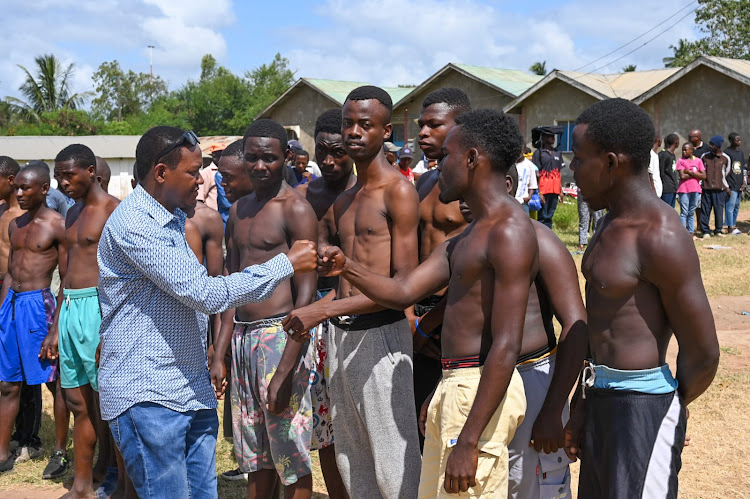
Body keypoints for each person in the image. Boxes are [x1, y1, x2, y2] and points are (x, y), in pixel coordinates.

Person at [316, 108, 534, 497]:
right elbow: (402, 292)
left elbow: (505, 345)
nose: (436, 166)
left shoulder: (508, 232)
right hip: (455, 384)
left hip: (478, 389)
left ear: (472, 159)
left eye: (444, 157)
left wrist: (469, 440)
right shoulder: (464, 241)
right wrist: (346, 266)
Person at [96, 126, 318, 499]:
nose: (201, 181)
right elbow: (204, 293)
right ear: (161, 173)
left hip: (188, 390)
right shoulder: (136, 225)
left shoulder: (171, 219)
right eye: (192, 172)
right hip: (149, 395)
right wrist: (286, 263)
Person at [565, 98, 719, 498]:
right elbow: (599, 323)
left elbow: (704, 354)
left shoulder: (661, 236)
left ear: (612, 163)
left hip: (642, 409)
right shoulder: (607, 223)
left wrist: (668, 405)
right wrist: (583, 402)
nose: (571, 170)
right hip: (600, 398)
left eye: (579, 160)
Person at [282, 85, 422, 498]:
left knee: (394, 460)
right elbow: (346, 281)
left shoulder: (398, 190)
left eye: (366, 124)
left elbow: (403, 285)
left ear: (386, 131)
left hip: (382, 336)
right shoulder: (344, 200)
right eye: (349, 124)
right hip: (342, 338)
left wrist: (321, 312)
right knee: (352, 456)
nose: (355, 132)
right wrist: (321, 308)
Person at [207, 119, 318, 499]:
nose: (259, 166)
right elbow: (230, 288)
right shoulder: (238, 211)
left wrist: (286, 369)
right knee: (254, 453)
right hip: (241, 338)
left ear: (286, 157)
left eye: (268, 159)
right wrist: (220, 352)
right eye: (252, 158)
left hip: (280, 337)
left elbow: (306, 299)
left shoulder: (297, 210)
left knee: (291, 455)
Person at [36, 144, 120, 498]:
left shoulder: (115, 211)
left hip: (101, 310)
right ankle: (82, 486)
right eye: (59, 176)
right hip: (70, 309)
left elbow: (122, 275)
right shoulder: (70, 214)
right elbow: (67, 273)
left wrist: (111, 325)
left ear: (90, 172)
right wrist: (56, 326)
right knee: (77, 402)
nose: (62, 182)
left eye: (68, 175)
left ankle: (117, 479)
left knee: (111, 404)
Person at [294, 108, 356, 499]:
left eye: (338, 152)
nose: (329, 161)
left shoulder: (362, 197)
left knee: (351, 415)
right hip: (305, 309)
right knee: (320, 419)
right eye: (323, 152)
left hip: (349, 309)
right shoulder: (302, 196)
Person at [413, 87, 471, 450]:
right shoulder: (424, 182)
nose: (422, 133)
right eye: (421, 125)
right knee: (419, 424)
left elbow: (474, 271)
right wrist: (412, 319)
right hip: (418, 314)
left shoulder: (470, 189)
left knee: (452, 424)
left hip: (456, 314)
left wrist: (429, 324)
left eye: (434, 125)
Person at [0, 163, 66, 473]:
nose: (19, 193)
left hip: (38, 306)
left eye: (26, 188)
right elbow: (11, 274)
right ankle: (2, 455)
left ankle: (60, 449)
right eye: (17, 188)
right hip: (11, 304)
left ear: (44, 189)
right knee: (8, 383)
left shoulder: (57, 225)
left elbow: (67, 278)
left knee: (53, 382)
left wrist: (55, 327)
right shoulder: (15, 225)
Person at [698, 135, 730, 238]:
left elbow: (727, 172)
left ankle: (718, 230)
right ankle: (706, 231)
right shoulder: (705, 156)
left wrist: (723, 184)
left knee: (719, 210)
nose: (710, 146)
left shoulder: (725, 158)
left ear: (718, 146)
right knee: (705, 209)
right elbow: (701, 169)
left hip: (720, 189)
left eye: (713, 145)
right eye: (710, 144)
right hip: (706, 188)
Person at [532, 132, 565, 228]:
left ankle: (548, 233)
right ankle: (541, 236)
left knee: (550, 215)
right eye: (550, 136)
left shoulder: (557, 153)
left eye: (554, 136)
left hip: (555, 189)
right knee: (542, 215)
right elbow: (536, 173)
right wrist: (539, 192)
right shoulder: (538, 153)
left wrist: (561, 190)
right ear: (544, 137)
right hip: (543, 189)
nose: (553, 138)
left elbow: (559, 172)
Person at [676, 143, 705, 238]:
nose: (684, 152)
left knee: (691, 211)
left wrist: (690, 172)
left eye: (686, 150)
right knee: (684, 211)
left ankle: (691, 232)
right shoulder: (680, 161)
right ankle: (683, 232)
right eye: (683, 150)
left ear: (691, 150)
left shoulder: (698, 161)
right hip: (684, 189)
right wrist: (696, 174)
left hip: (695, 189)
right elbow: (682, 176)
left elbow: (704, 176)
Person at [723, 133, 746, 235]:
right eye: (737, 140)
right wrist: (726, 185)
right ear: (731, 141)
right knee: (730, 205)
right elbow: (725, 170)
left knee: (737, 206)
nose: (739, 142)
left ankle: (734, 224)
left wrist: (743, 182)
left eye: (740, 140)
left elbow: (741, 169)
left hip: (739, 183)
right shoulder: (727, 153)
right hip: (731, 183)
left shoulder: (740, 153)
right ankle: (729, 227)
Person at [197, 143, 224, 211]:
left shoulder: (226, 171)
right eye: (221, 155)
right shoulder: (206, 173)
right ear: (214, 156)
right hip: (212, 214)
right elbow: (200, 198)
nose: (223, 158)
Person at [659, 134, 680, 207]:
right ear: (676, 142)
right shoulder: (664, 155)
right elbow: (661, 172)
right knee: (666, 209)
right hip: (666, 188)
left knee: (671, 210)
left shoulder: (672, 155)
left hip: (672, 188)